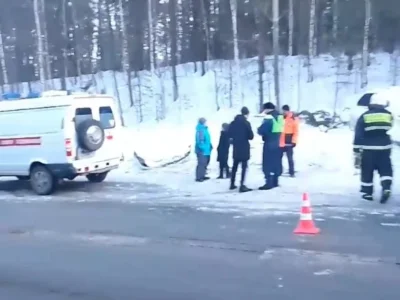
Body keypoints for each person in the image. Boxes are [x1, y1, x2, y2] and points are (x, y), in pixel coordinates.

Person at [353, 93, 393, 203]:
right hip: (385, 147)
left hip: (368, 148)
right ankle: (386, 187)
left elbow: (358, 134)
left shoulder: (365, 116)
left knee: (367, 170)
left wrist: (356, 149)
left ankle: (367, 193)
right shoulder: (389, 115)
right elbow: (390, 128)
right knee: (385, 169)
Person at [258, 102, 284, 190]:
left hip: (269, 142)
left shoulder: (269, 117)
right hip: (278, 142)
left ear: (268, 109)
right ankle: (275, 181)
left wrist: (259, 129)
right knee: (276, 162)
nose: (264, 111)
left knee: (267, 163)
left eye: (264, 109)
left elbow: (262, 130)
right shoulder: (280, 117)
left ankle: (268, 183)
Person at [228, 107, 254, 192]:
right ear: (247, 114)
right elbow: (251, 136)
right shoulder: (246, 123)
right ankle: (242, 185)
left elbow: (229, 134)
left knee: (235, 166)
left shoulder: (233, 123)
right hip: (244, 147)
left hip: (236, 147)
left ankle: (232, 183)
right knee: (244, 167)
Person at [279, 105, 299, 177]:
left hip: (289, 139)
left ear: (288, 111)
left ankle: (291, 172)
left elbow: (296, 131)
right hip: (281, 140)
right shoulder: (280, 118)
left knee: (290, 157)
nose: (283, 112)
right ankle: (279, 171)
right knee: (279, 157)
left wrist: (294, 141)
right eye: (283, 111)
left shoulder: (293, 119)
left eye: (285, 111)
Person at [195, 117, 212, 182]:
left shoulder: (205, 129)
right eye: (205, 122)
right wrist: (203, 148)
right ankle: (199, 177)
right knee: (201, 163)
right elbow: (200, 141)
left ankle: (203, 175)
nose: (206, 123)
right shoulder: (201, 130)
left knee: (204, 163)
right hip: (201, 150)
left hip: (206, 150)